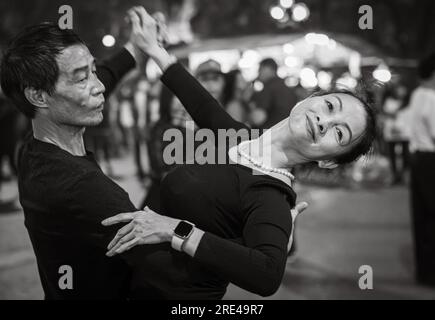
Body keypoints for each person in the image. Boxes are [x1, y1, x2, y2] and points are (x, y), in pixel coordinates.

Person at [102, 8, 377, 299]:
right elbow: (196, 97)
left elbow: (266, 276)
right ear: (312, 98)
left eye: (339, 133)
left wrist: (176, 231)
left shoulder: (271, 196)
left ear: (329, 160)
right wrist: (151, 47)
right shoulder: (238, 137)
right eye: (331, 106)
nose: (325, 121)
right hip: (134, 281)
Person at [408, 53, 435, 287]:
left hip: (418, 159)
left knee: (422, 217)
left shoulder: (417, 94)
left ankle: (424, 271)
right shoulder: (432, 98)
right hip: (431, 159)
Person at [251, 58, 299, 129]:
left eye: (260, 69)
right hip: (287, 131)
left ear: (268, 69)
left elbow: (258, 118)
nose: (258, 72)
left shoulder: (268, 88)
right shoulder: (287, 87)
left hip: (269, 133)